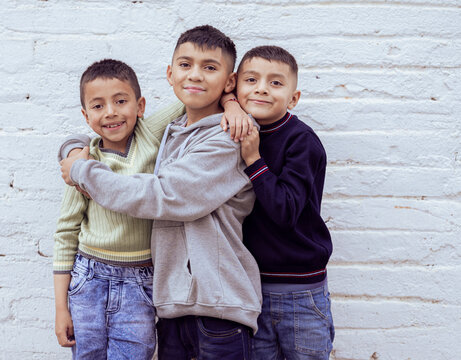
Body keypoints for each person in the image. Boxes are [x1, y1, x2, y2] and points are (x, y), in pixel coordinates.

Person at [59, 25, 262, 360]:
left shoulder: (229, 136)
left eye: (209, 67)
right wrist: (72, 150)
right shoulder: (169, 131)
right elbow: (106, 135)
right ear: (170, 74)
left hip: (218, 308)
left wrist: (82, 171)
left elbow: (165, 195)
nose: (195, 74)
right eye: (185, 65)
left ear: (229, 80)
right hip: (172, 308)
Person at [53, 59, 187, 359]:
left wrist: (231, 102)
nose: (111, 111)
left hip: (141, 280)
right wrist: (61, 308)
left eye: (121, 101)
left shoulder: (149, 134)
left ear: (140, 106)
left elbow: (189, 99)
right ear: (86, 117)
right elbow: (65, 233)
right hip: (89, 279)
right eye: (98, 106)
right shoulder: (84, 163)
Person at [236, 45, 335, 359]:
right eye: (251, 80)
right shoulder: (231, 132)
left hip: (300, 291)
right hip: (252, 291)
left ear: (294, 98)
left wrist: (253, 159)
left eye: (275, 83)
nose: (262, 88)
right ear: (234, 86)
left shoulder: (300, 141)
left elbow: (285, 210)